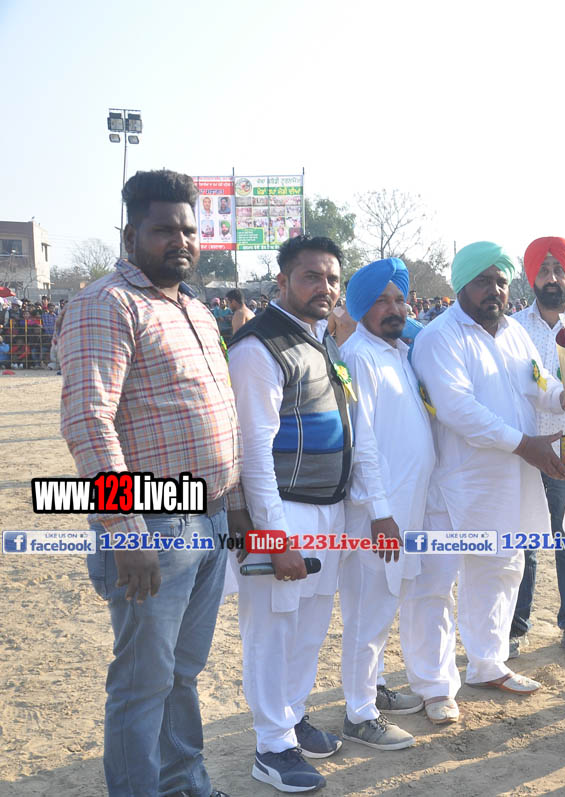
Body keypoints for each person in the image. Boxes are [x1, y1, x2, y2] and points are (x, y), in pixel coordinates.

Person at [59, 169, 242, 797]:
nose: (181, 241)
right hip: (153, 524)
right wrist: (124, 529)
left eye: (189, 230)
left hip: (209, 520)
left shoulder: (194, 308)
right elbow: (88, 421)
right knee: (143, 683)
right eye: (165, 229)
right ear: (130, 234)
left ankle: (185, 785)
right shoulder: (107, 303)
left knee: (182, 673)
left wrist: (235, 505)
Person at [411, 241, 565, 700]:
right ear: (462, 284)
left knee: (503, 568)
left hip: (512, 478)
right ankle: (435, 687)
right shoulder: (440, 337)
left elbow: (538, 380)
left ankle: (488, 663)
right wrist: (525, 444)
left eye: (501, 281)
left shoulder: (514, 332)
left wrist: (563, 396)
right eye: (483, 281)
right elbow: (457, 409)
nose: (494, 290)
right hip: (457, 482)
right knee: (437, 584)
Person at [227, 234, 357, 793]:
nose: (324, 287)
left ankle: (293, 716)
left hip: (328, 510)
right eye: (311, 277)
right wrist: (275, 537)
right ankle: (271, 745)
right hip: (282, 511)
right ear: (282, 282)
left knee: (309, 625)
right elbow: (254, 451)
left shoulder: (320, 339)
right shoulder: (259, 347)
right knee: (272, 630)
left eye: (332, 278)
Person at [339, 258, 461, 727]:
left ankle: (371, 690)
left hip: (406, 508)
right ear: (360, 307)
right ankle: (359, 715)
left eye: (399, 300)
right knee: (367, 617)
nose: (394, 309)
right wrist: (379, 511)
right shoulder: (358, 356)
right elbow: (363, 442)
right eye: (381, 301)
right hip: (378, 514)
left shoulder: (397, 354)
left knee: (384, 608)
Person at [510, 237, 565, 661]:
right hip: (523, 450)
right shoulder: (511, 328)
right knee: (523, 540)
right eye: (543, 270)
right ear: (532, 276)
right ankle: (515, 625)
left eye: (558, 270)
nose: (551, 278)